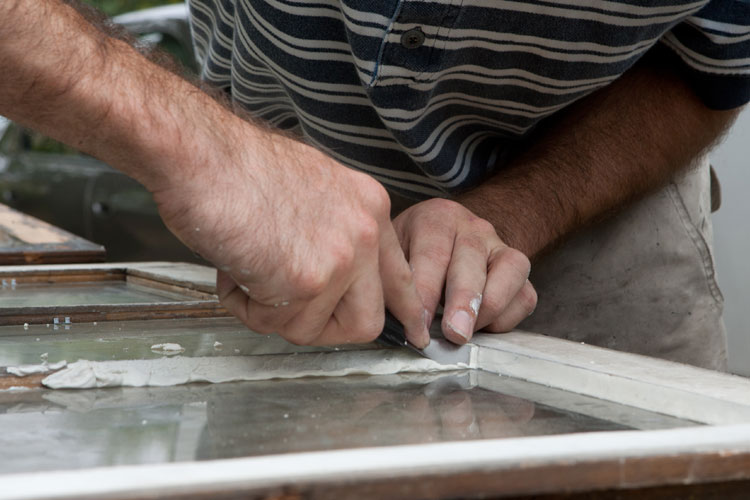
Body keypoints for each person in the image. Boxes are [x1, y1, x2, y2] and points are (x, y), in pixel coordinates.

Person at [1, 1, 747, 369]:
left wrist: (518, 209)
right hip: (276, 240)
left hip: (599, 220)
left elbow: (706, 62)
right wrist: (213, 151)